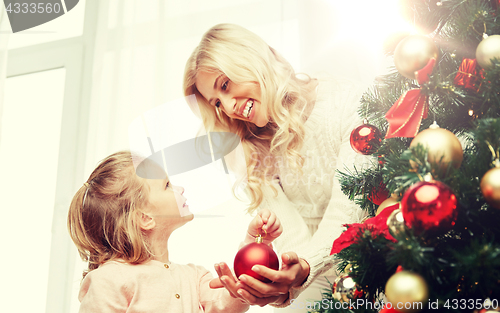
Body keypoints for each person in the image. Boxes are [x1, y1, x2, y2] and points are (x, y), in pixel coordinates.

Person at [183, 23, 370, 310]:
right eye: (217, 103)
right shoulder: (249, 148)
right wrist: (284, 285)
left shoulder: (346, 100)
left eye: (225, 85)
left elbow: (350, 210)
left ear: (251, 59)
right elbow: (292, 240)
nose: (229, 106)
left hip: (385, 255)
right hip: (326, 277)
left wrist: (302, 271)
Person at [68, 150, 283, 313]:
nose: (179, 188)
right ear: (145, 218)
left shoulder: (194, 278)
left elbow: (231, 298)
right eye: (167, 185)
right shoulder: (108, 280)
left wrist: (255, 244)